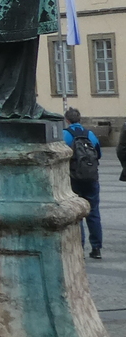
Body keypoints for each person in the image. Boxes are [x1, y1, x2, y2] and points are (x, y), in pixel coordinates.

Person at [63, 106, 103, 258]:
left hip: (73, 178)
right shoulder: (90, 134)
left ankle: (79, 246)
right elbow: (98, 154)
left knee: (77, 213)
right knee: (93, 212)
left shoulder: (65, 135)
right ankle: (96, 248)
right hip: (91, 178)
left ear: (67, 120)